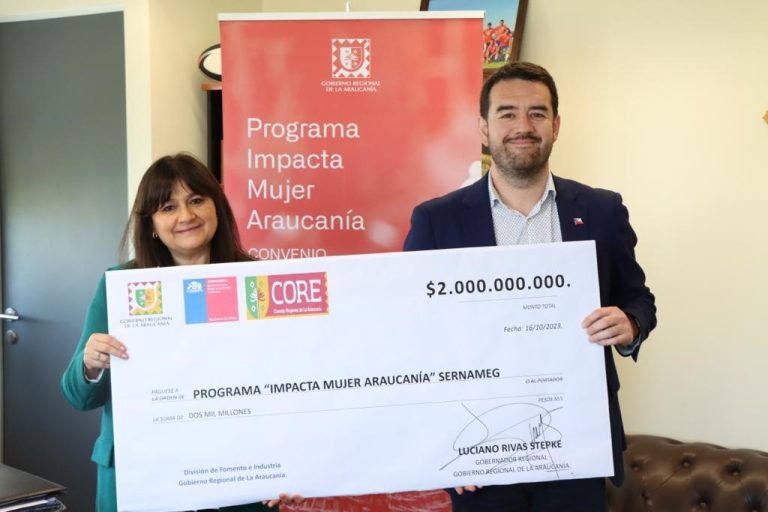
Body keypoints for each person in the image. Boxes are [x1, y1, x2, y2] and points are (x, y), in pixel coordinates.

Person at [403, 62, 656, 511]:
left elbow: (637, 298)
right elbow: (414, 337)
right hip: (480, 452)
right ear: (484, 128)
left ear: (556, 125)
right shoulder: (437, 221)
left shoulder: (602, 210)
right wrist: (445, 440)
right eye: (507, 113)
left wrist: (630, 323)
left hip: (576, 444)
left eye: (537, 113)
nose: (523, 126)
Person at [61, 153, 301, 512]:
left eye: (196, 200)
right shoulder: (120, 285)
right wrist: (90, 364)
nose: (186, 216)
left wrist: (295, 466)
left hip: (242, 480)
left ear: (217, 207)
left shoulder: (260, 282)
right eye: (168, 207)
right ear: (151, 224)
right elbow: (78, 397)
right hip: (140, 479)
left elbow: (291, 386)